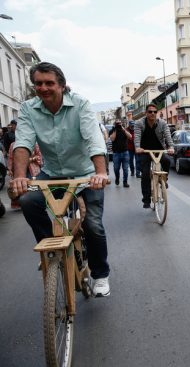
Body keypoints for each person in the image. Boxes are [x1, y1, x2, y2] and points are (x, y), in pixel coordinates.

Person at [9, 62, 111, 296]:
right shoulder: (28, 108)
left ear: (62, 86)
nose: (43, 88)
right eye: (38, 84)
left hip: (85, 175)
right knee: (28, 201)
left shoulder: (81, 104)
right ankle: (52, 250)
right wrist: (20, 177)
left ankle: (101, 274)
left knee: (93, 224)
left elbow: (93, 139)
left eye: (49, 83)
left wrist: (100, 173)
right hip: (52, 174)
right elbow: (23, 142)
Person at [134, 103, 174, 208]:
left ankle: (164, 179)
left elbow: (167, 136)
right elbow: (137, 136)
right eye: (150, 111)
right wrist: (137, 147)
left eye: (155, 112)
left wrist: (171, 147)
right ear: (146, 113)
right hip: (144, 150)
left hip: (159, 149)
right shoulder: (139, 123)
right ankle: (146, 200)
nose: (152, 113)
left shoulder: (162, 123)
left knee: (167, 161)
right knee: (146, 174)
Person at [109, 119, 131, 187]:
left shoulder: (124, 130)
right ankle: (117, 178)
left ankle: (125, 182)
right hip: (116, 153)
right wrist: (115, 129)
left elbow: (130, 137)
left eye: (119, 123)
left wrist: (123, 129)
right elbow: (112, 139)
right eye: (117, 123)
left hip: (125, 152)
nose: (118, 124)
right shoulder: (112, 131)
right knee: (116, 168)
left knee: (125, 168)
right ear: (115, 124)